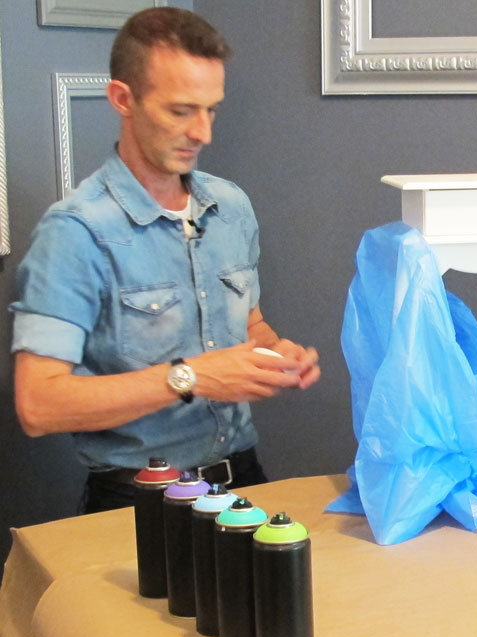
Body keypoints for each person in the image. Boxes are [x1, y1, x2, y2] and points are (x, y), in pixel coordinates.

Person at [9, 7, 320, 513]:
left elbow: (251, 325)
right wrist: (190, 377)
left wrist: (274, 355)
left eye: (211, 110)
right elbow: (38, 405)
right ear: (122, 99)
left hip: (243, 481)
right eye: (180, 111)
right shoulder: (75, 232)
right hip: (138, 500)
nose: (203, 133)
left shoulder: (231, 207)